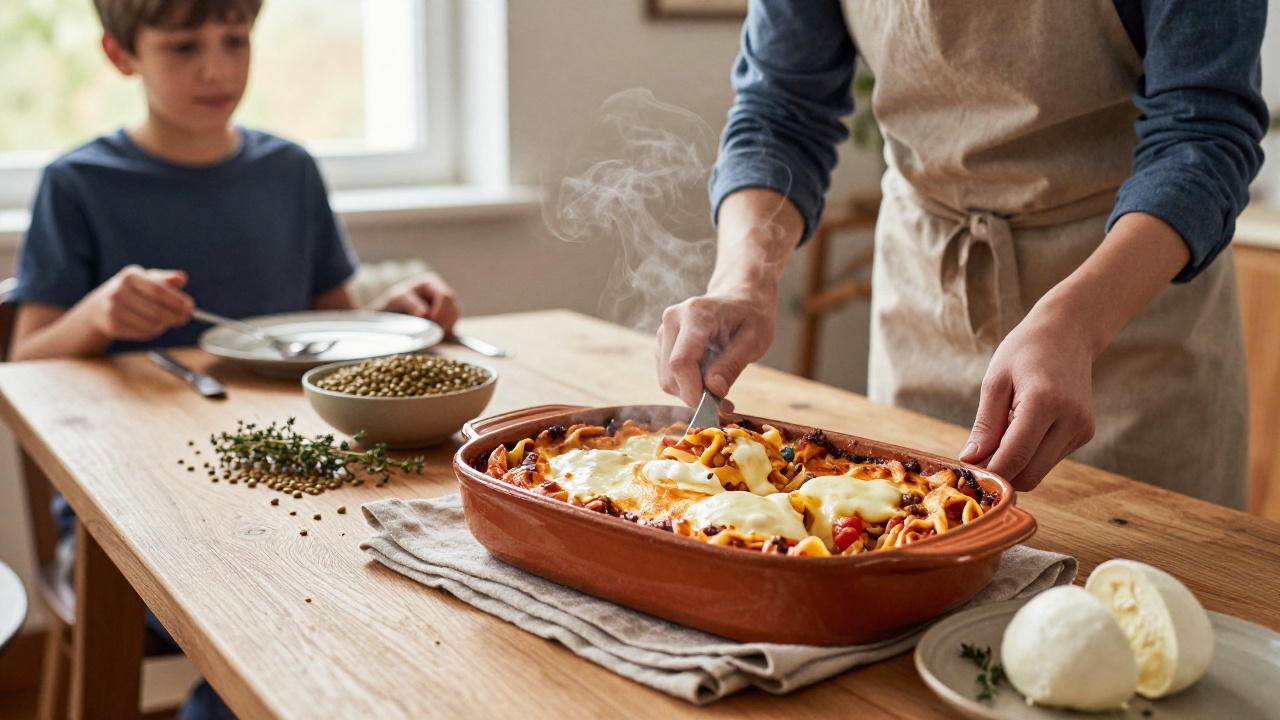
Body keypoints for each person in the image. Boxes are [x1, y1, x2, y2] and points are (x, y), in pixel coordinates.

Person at [9, 1, 459, 717]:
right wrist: (98, 313)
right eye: (184, 47)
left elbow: (332, 332)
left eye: (235, 40)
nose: (217, 69)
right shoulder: (79, 183)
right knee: (271, 624)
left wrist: (392, 318)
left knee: (397, 592)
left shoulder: (290, 170)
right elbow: (25, 362)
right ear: (121, 55)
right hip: (127, 514)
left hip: (282, 484)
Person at [657, 1, 1267, 509]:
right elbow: (780, 114)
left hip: (1128, 309)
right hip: (925, 301)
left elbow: (1202, 137)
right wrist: (743, 281)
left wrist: (1078, 325)